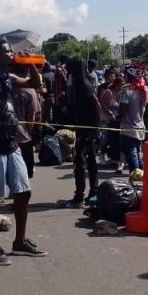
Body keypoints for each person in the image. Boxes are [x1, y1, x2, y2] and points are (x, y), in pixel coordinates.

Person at [0, 37, 46, 266]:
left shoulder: (9, 78)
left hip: (12, 144)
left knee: (24, 193)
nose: (10, 54)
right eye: (6, 52)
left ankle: (19, 242)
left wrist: (30, 62)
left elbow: (34, 83)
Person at [61, 56, 102, 207]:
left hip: (88, 129)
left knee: (80, 161)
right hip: (82, 127)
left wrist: (94, 130)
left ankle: (80, 196)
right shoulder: (77, 84)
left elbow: (97, 107)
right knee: (90, 161)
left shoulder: (85, 85)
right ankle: (93, 193)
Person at [117, 63, 148, 174]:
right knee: (138, 153)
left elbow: (122, 110)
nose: (124, 77)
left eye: (125, 75)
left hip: (128, 128)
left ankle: (137, 179)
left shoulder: (127, 91)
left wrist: (117, 115)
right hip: (140, 126)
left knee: (132, 154)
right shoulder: (146, 90)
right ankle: (142, 177)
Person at [13, 75, 42, 180]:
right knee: (23, 165)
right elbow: (32, 116)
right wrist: (29, 131)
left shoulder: (4, 85)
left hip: (2, 132)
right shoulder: (30, 91)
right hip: (22, 132)